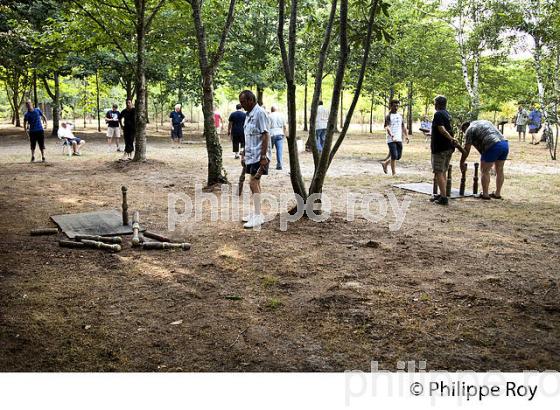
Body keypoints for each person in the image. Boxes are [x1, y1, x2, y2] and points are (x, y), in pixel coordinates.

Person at [239, 90, 271, 229]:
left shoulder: (260, 113)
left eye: (243, 102)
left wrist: (264, 157)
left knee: (252, 183)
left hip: (259, 156)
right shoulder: (248, 115)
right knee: (256, 185)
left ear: (251, 100)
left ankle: (258, 215)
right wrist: (244, 153)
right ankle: (257, 213)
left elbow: (265, 135)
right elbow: (250, 136)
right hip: (251, 155)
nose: (242, 104)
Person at [460, 120, 509, 200]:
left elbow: (467, 150)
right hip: (504, 144)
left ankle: (485, 194)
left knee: (484, 170)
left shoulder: (469, 130)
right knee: (500, 170)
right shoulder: (483, 122)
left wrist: (461, 162)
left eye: (464, 132)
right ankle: (497, 193)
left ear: (465, 128)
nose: (465, 134)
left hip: (492, 145)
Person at [430, 95, 458, 206]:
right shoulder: (447, 114)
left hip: (440, 148)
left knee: (438, 171)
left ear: (438, 104)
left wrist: (451, 138)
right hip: (448, 147)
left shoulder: (438, 114)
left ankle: (444, 198)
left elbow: (442, 130)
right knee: (443, 171)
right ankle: (443, 193)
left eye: (435, 103)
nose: (434, 105)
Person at [380, 99, 408, 176]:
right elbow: (387, 127)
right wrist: (391, 134)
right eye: (394, 105)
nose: (396, 107)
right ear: (391, 106)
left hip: (399, 138)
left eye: (397, 106)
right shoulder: (388, 116)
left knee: (398, 156)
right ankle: (394, 173)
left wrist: (406, 136)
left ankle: (385, 163)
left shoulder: (400, 116)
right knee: (394, 155)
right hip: (391, 139)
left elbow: (403, 127)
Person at [268, 105, 288, 170]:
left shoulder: (269, 116)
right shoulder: (281, 115)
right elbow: (285, 126)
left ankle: (267, 164)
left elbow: (267, 126)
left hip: (271, 133)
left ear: (271, 110)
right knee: (279, 150)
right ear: (277, 109)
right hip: (280, 133)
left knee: (269, 150)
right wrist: (284, 134)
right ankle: (279, 165)